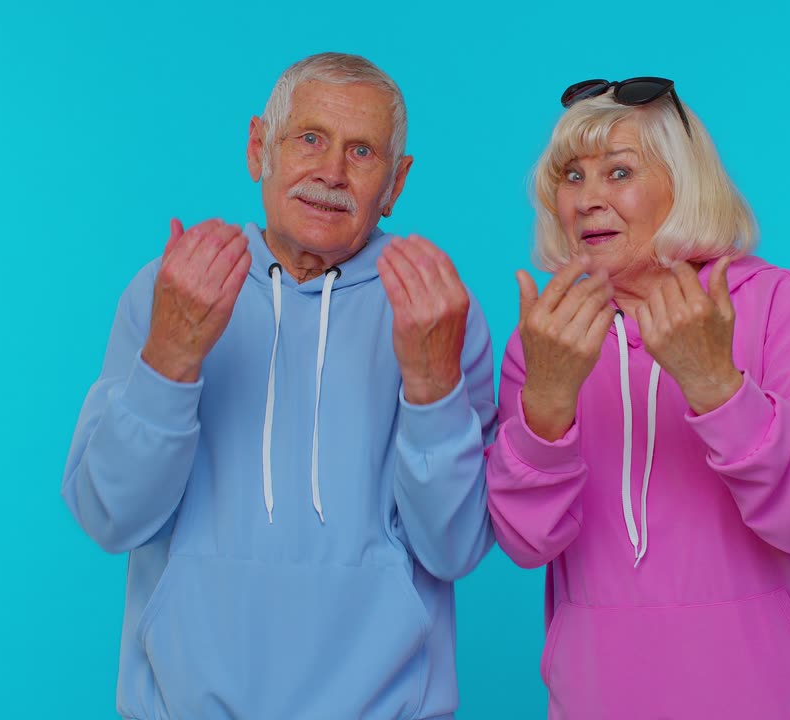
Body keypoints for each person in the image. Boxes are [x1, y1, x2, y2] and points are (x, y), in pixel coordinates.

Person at [62, 52, 496, 719]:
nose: (331, 172)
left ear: (396, 184)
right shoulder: (171, 286)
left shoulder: (435, 307)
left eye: (362, 151)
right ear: (259, 146)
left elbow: (454, 546)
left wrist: (433, 386)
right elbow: (110, 516)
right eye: (311, 139)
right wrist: (172, 355)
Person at [485, 77, 790, 718]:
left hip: (782, 698)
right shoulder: (547, 338)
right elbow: (527, 542)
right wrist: (549, 400)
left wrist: (714, 384)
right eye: (572, 176)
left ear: (684, 184)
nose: (589, 200)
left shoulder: (778, 304)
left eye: (619, 172)